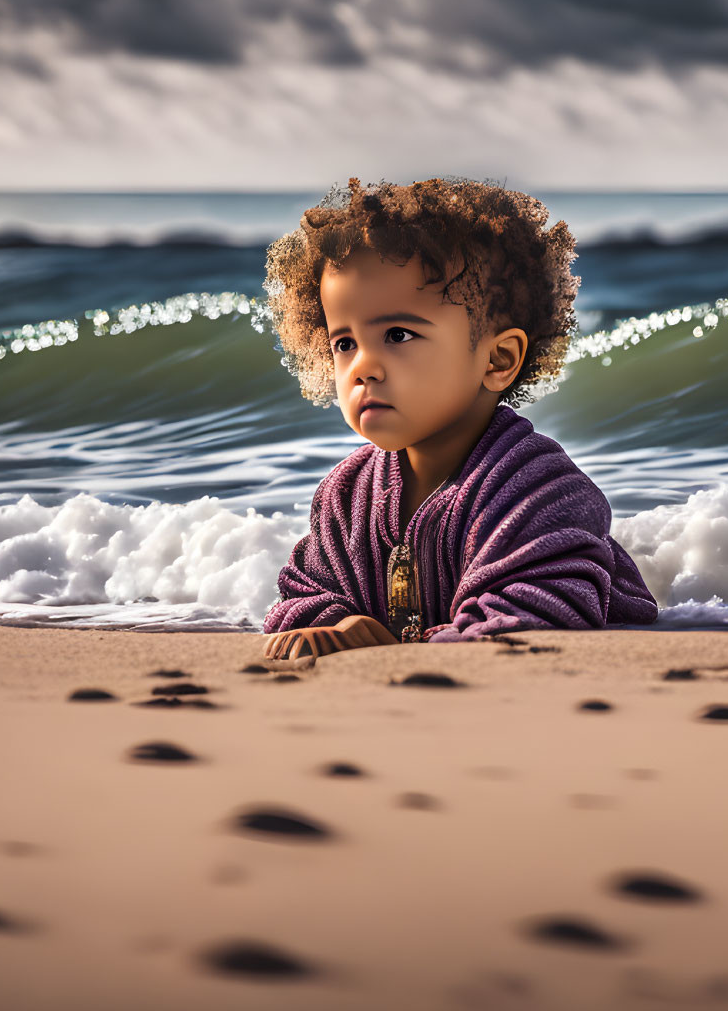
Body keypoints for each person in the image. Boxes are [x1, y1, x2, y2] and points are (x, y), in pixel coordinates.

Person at [260, 176, 659, 662]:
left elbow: (539, 620)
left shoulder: (537, 488)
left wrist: (398, 651)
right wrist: (340, 627)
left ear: (498, 360)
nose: (362, 366)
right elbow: (300, 596)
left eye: (399, 334)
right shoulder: (345, 497)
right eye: (344, 343)